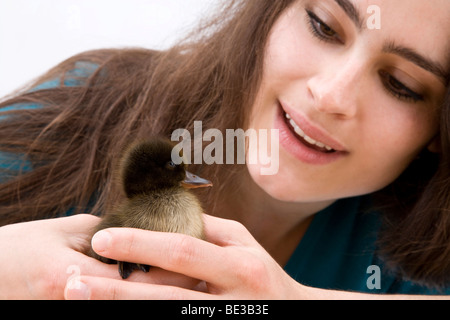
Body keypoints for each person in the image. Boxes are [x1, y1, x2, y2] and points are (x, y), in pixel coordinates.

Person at [0, 0, 449, 299]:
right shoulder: (76, 116)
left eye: (400, 85)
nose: (331, 95)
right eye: (323, 26)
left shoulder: (411, 261)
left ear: (439, 129)